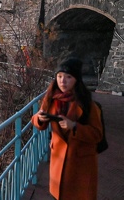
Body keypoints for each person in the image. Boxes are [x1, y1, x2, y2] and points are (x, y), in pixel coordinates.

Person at [31, 57, 103, 200]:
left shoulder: (88, 104)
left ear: (76, 79)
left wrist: (74, 127)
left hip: (80, 164)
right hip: (58, 162)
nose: (62, 81)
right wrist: (39, 119)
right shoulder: (51, 98)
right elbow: (37, 120)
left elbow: (97, 134)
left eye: (68, 77)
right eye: (59, 76)